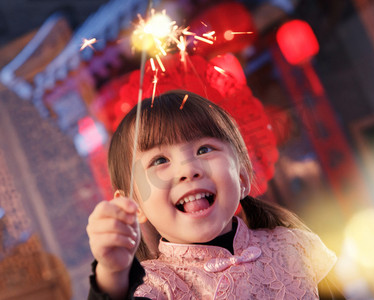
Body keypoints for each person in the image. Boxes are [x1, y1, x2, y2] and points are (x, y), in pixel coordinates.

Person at [86, 90, 337, 299]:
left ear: (242, 176)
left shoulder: (296, 247)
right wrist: (112, 273)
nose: (188, 170)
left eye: (204, 149)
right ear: (133, 204)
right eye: (160, 159)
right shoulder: (152, 287)